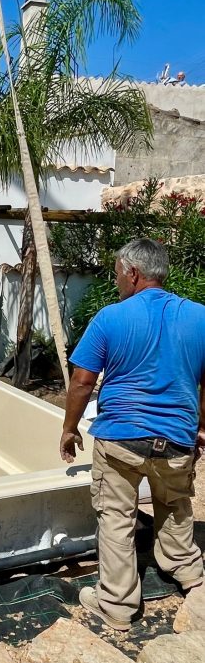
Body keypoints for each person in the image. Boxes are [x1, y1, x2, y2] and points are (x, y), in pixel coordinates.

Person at [60, 238, 205, 631]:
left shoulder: (110, 318)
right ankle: (189, 574)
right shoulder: (200, 317)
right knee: (175, 505)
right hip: (176, 442)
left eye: (118, 272)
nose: (117, 279)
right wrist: (200, 425)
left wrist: (69, 429)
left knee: (116, 518)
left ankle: (118, 606)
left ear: (133, 273)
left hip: (121, 441)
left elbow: (81, 382)